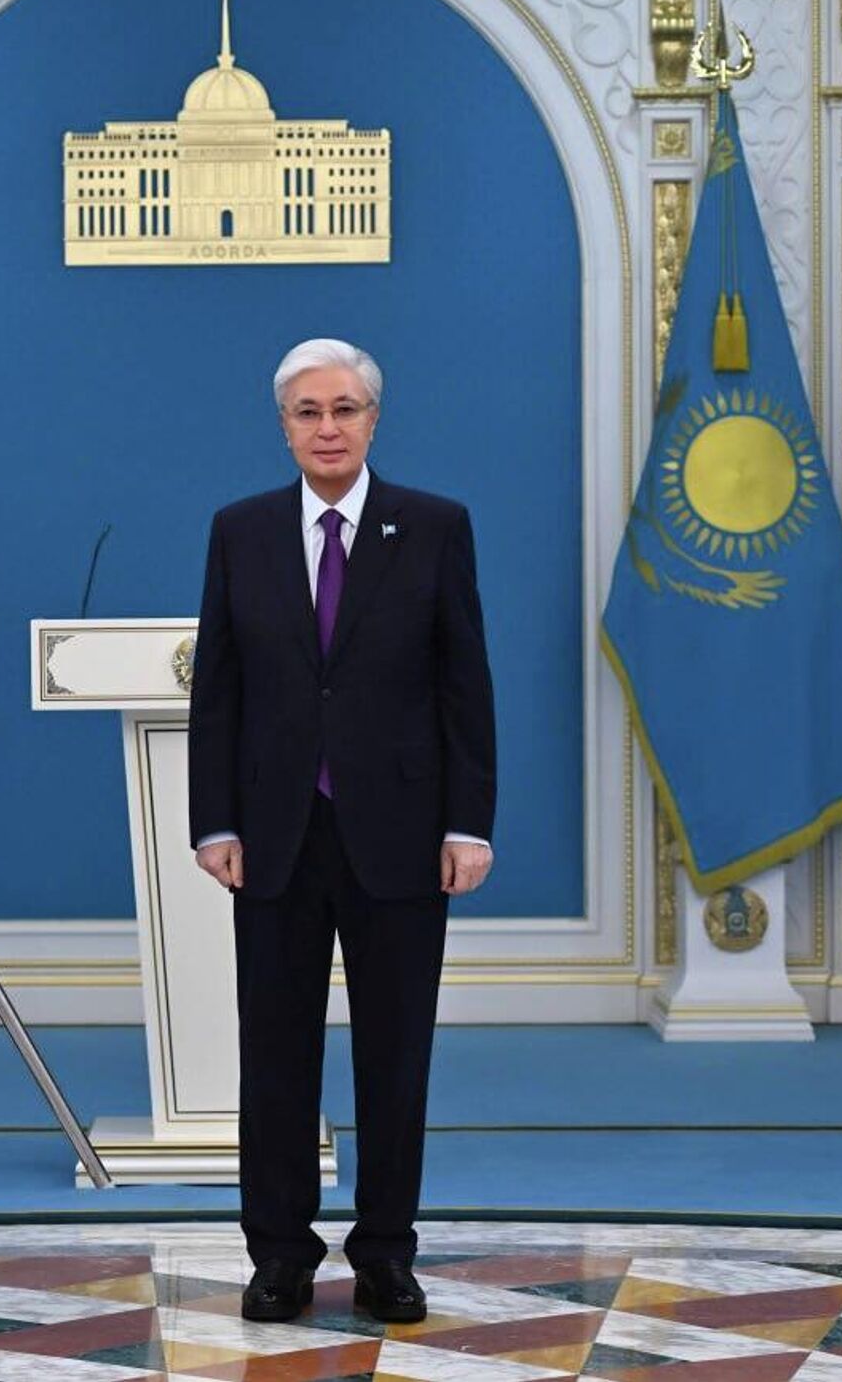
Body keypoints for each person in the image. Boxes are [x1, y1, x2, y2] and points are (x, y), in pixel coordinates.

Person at [188, 337, 496, 1324]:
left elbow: (464, 685)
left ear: (374, 419)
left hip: (403, 836)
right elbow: (219, 691)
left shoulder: (436, 527)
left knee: (394, 1060)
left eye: (345, 409)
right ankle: (279, 1255)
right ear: (283, 427)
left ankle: (385, 1254)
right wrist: (213, 819)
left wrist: (469, 823)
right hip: (274, 836)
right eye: (308, 412)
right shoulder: (240, 531)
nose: (328, 427)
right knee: (275, 1058)